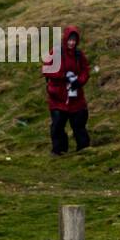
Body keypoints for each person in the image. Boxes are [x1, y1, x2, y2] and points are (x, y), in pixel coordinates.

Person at [41, 26, 90, 155]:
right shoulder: (55, 53)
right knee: (57, 126)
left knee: (79, 125)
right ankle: (59, 151)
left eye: (74, 40)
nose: (72, 43)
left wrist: (79, 81)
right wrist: (63, 76)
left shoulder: (79, 55)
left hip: (76, 97)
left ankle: (84, 151)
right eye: (70, 39)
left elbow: (85, 70)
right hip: (58, 97)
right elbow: (46, 69)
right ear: (65, 39)